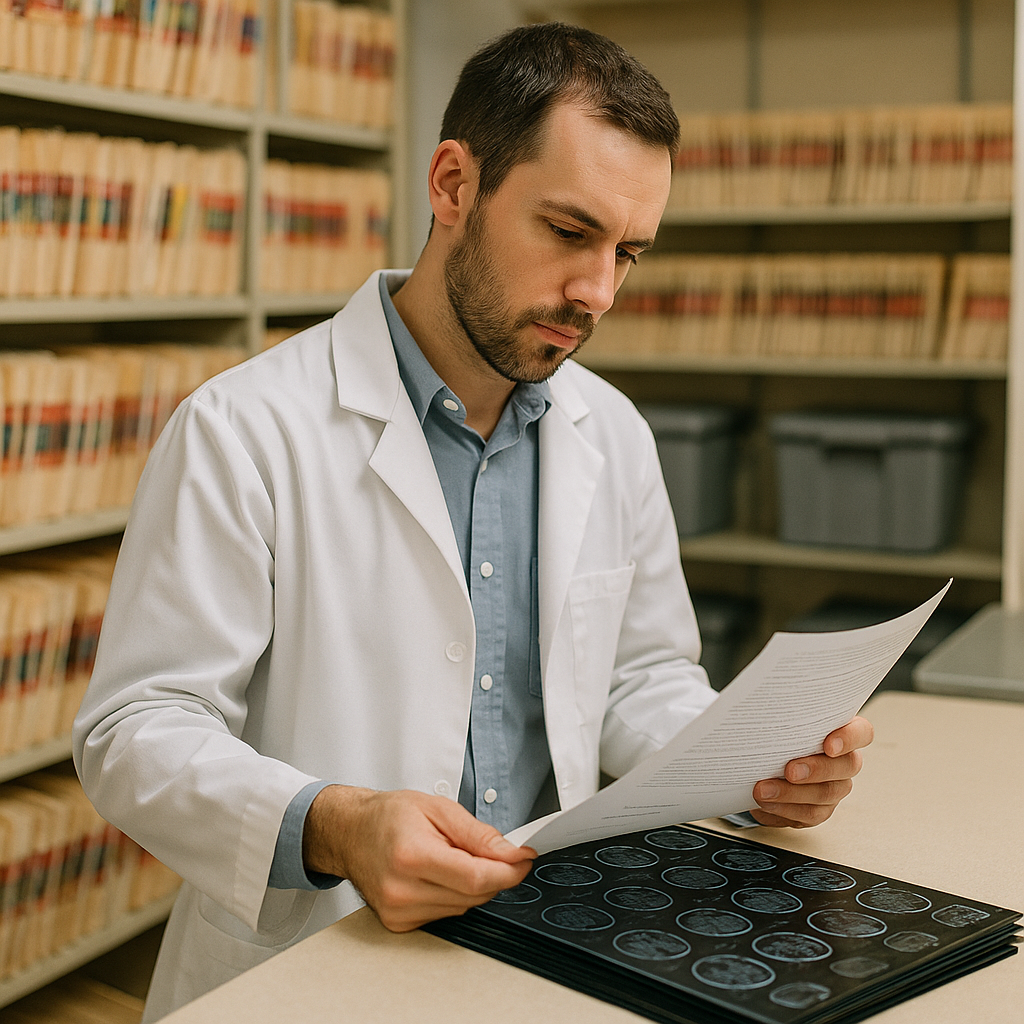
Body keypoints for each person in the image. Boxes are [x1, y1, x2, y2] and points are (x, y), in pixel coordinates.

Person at [73, 22, 873, 1023]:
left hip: (553, 943)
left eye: (628, 252)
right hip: (320, 956)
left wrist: (753, 762)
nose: (597, 292)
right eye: (569, 232)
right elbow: (135, 729)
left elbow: (636, 678)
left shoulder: (610, 430)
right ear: (453, 185)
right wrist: (336, 825)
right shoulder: (244, 428)